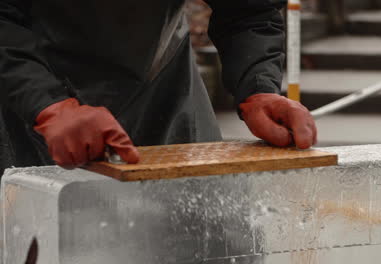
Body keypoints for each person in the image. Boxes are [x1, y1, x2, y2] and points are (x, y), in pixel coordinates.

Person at [0, 0, 317, 174]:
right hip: (27, 89)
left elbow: (249, 10)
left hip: (165, 87)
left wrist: (258, 84)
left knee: (209, 236)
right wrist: (47, 104)